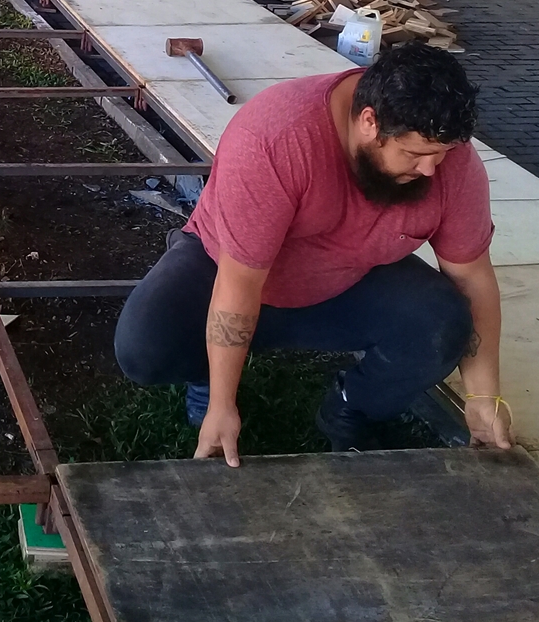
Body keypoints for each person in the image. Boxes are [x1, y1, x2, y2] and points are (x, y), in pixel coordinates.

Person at [114, 43, 510, 463]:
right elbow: (240, 280)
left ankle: (347, 407)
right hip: (227, 270)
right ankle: (207, 376)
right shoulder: (275, 139)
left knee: (443, 322)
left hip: (346, 279)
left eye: (441, 155)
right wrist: (222, 405)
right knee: (145, 346)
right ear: (369, 122)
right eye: (414, 155)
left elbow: (472, 278)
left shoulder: (452, 164)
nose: (430, 170)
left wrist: (485, 397)